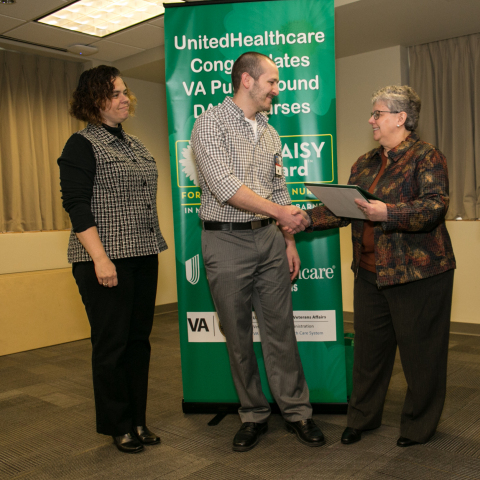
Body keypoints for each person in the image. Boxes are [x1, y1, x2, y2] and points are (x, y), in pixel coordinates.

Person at [301, 85, 456, 447]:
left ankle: (418, 427)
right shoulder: (365, 162)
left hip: (418, 274)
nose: (371, 120)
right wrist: (304, 218)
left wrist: (389, 212)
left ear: (401, 118)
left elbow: (434, 207)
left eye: (378, 113)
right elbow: (344, 208)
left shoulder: (427, 156)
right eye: (373, 114)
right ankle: (362, 419)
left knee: (422, 356)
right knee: (369, 354)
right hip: (370, 274)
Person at [190, 51, 324, 452]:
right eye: (273, 82)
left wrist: (288, 240)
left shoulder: (270, 131)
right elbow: (225, 187)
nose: (277, 90)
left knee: (280, 328)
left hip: (268, 240)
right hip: (225, 240)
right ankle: (252, 413)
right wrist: (281, 212)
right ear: (247, 80)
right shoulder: (209, 123)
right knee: (237, 336)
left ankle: (298, 412)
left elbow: (279, 187)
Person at [58, 65, 167, 454]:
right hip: (103, 260)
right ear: (94, 102)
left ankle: (137, 419)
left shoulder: (135, 144)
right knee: (111, 345)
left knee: (138, 342)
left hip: (142, 255)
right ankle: (117, 424)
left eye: (125, 92)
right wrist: (101, 259)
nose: (125, 98)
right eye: (115, 94)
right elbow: (76, 205)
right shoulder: (81, 144)